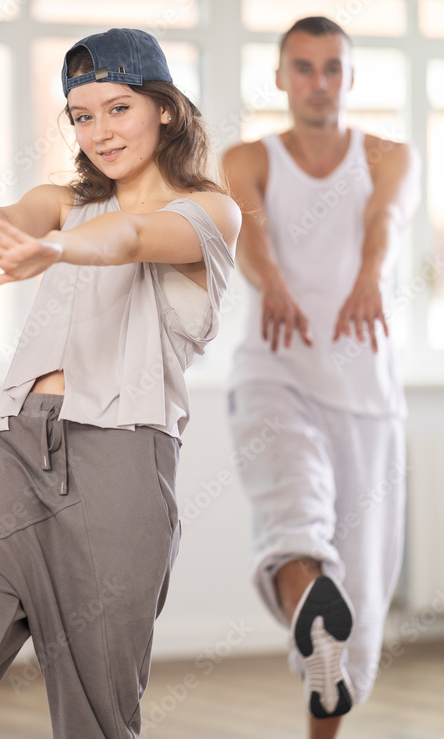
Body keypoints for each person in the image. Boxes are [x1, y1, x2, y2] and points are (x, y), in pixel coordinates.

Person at [0, 29, 240, 738]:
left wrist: (57, 248)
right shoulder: (61, 199)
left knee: (96, 707)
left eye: (118, 107)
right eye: (82, 115)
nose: (99, 130)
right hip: (9, 446)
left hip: (121, 459)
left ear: (164, 108)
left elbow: (130, 240)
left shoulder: (208, 211)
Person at [223, 16, 420, 739]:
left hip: (368, 398)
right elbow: (250, 229)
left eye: (332, 67)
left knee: (355, 610)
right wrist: (272, 283)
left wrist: (370, 276)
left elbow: (387, 219)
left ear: (350, 77)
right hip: (276, 375)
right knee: (296, 522)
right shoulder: (248, 157)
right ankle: (315, 618)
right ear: (279, 78)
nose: (318, 82)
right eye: (303, 67)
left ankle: (324, 666)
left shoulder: (390, 155)